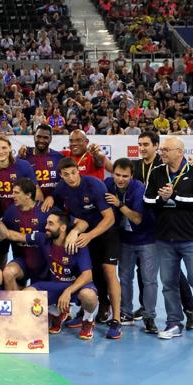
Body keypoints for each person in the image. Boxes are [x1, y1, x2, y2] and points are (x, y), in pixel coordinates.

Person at [52, 157, 122, 339]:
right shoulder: (61, 189)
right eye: (66, 174)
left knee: (108, 271)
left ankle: (116, 321)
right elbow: (61, 215)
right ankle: (84, 314)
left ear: (78, 170)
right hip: (85, 236)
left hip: (106, 233)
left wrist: (89, 235)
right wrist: (75, 228)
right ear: (60, 175)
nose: (71, 177)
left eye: (73, 173)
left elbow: (109, 218)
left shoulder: (94, 185)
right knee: (87, 273)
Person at [7, 210, 99, 340]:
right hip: (55, 284)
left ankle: (88, 320)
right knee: (27, 294)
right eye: (46, 223)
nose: (46, 227)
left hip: (76, 287)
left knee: (89, 296)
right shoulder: (43, 238)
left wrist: (68, 291)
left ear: (62, 228)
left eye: (50, 224)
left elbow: (88, 275)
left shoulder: (78, 244)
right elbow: (15, 236)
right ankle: (58, 312)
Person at [133, 131, 193, 326]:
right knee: (167, 282)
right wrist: (162, 199)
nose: (163, 152)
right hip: (162, 235)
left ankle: (189, 310)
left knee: (187, 278)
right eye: (163, 149)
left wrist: (173, 196)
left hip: (187, 235)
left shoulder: (189, 171)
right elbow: (148, 200)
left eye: (167, 149)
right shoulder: (154, 170)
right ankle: (171, 321)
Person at [104, 158, 158, 333]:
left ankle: (149, 317)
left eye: (125, 176)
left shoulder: (139, 188)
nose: (120, 179)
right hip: (125, 239)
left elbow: (137, 218)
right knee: (125, 277)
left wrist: (119, 204)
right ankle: (125, 313)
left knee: (149, 280)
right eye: (117, 175)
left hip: (146, 239)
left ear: (132, 176)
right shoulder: (108, 184)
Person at [0, 135, 41, 269]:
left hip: (20, 217)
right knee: (0, 254)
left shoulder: (23, 165)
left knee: (23, 255)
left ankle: (22, 285)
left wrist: (37, 212)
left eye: (4, 147)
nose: (1, 151)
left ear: (10, 148)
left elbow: (36, 190)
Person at [19, 124, 65, 198]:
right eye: (38, 137)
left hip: (54, 204)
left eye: (45, 137)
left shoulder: (59, 157)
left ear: (50, 139)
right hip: (31, 205)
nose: (41, 140)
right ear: (34, 137)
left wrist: (52, 198)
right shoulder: (24, 155)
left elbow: (64, 182)